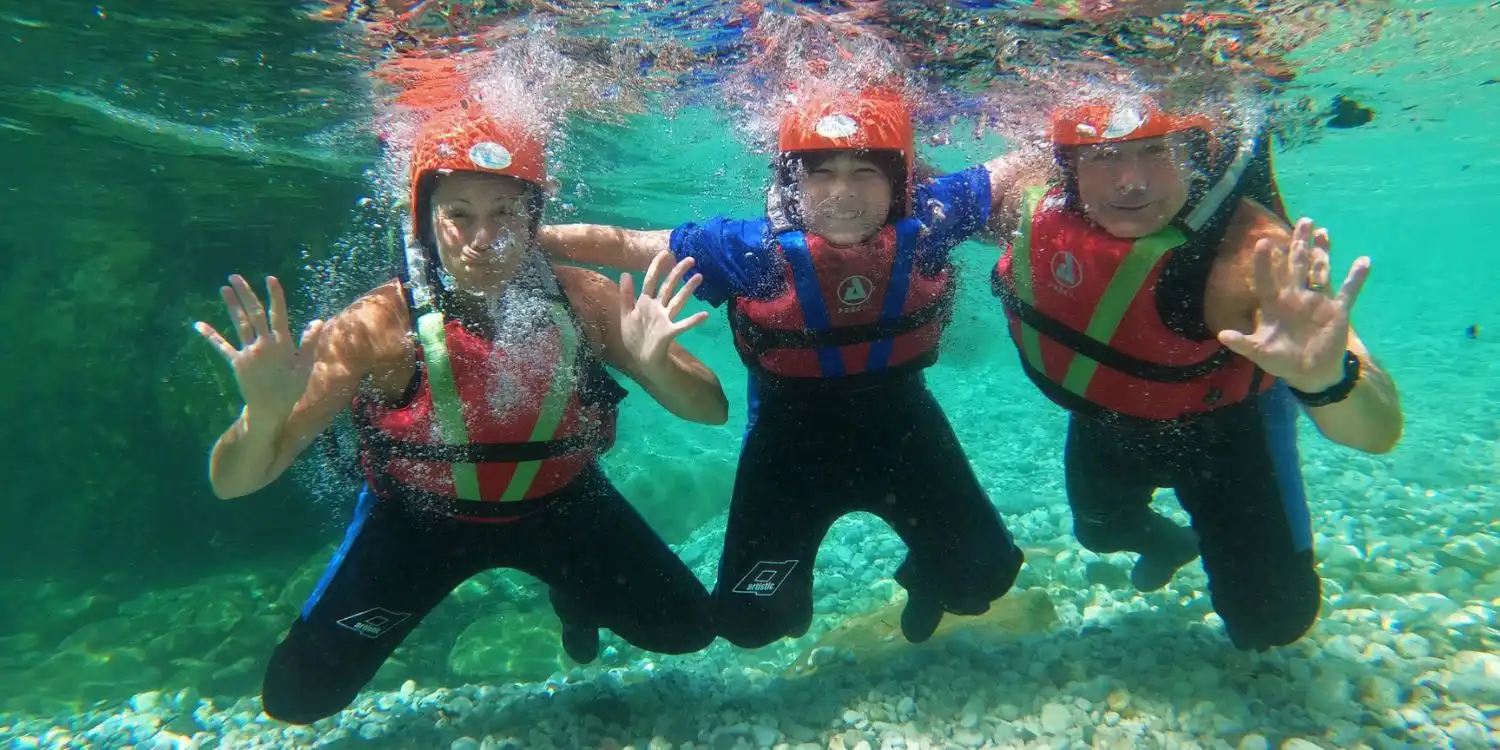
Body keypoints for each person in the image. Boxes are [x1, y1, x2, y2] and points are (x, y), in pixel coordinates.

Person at [194, 100, 728, 724]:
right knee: (296, 697)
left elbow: (712, 411)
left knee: (687, 629)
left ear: (534, 219)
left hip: (562, 506)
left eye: (505, 212)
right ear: (424, 219)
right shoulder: (376, 325)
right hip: (419, 522)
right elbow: (234, 483)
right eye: (459, 215)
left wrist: (657, 364)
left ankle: (573, 595)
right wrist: (262, 414)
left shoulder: (586, 297)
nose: (484, 239)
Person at [538, 88, 1025, 648]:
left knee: (983, 576)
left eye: (865, 172)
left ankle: (926, 580)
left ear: (899, 183)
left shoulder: (933, 216)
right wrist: (526, 238)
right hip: (791, 446)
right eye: (822, 175)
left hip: (905, 429)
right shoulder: (751, 251)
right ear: (794, 183)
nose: (842, 194)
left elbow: (1014, 164)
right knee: (753, 623)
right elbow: (625, 242)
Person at [988, 96, 1403, 651]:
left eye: (1157, 152)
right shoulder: (1033, 203)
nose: (1131, 181)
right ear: (1070, 165)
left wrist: (1327, 379)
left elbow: (1381, 432)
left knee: (1273, 620)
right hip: (1108, 417)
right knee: (1101, 531)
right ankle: (1171, 544)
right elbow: (918, 195)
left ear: (1197, 155)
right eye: (1106, 155)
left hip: (1225, 431)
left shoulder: (1254, 256)